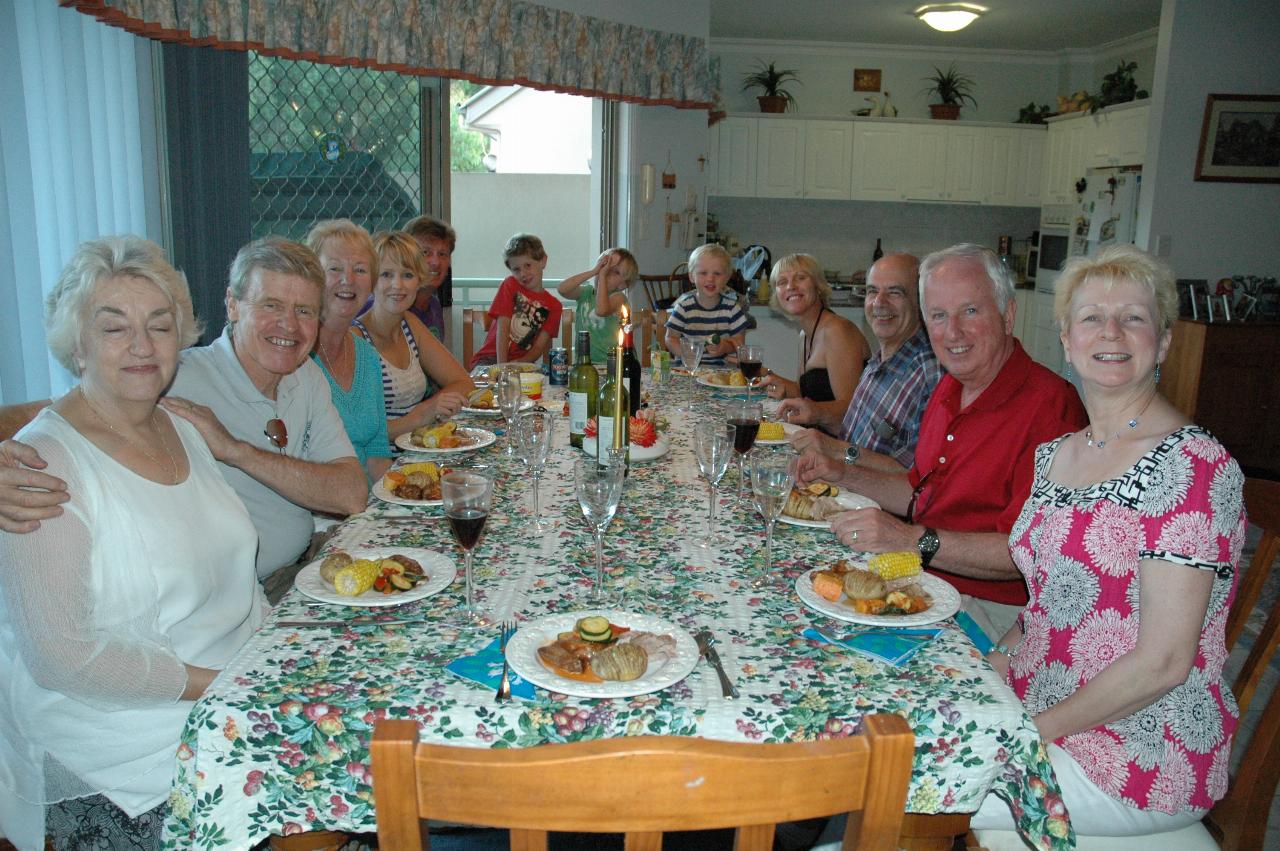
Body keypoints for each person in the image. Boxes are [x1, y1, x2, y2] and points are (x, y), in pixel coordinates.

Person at [0, 236, 268, 850]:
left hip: (225, 700)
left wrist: (273, 657)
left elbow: (237, 574)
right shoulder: (41, 467)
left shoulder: (181, 425)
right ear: (77, 343)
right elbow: (64, 659)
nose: (143, 346)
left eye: (159, 324)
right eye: (114, 327)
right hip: (119, 755)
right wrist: (237, 680)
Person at [971, 244, 1246, 837]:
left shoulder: (1193, 467)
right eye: (1092, 316)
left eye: (1134, 317)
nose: (1112, 331)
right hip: (1041, 705)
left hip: (1140, 754)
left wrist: (1031, 731)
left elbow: (1165, 663)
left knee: (903, 785)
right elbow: (1050, 603)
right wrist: (989, 666)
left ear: (1163, 342)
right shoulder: (1057, 457)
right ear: (1067, 339)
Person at [0, 237, 369, 589]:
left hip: (299, 573)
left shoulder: (304, 375)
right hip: (236, 598)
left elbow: (350, 493)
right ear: (232, 304)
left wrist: (236, 451)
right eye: (270, 305)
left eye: (303, 311)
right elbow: (71, 408)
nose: (288, 325)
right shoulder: (173, 376)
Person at [798, 244, 1086, 640]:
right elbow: (918, 491)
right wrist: (840, 472)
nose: (953, 332)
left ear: (1008, 315)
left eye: (970, 311)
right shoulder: (950, 386)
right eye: (938, 315)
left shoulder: (1051, 407)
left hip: (994, 610)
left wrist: (911, 539)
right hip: (925, 580)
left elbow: (1028, 552)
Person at [779, 253, 941, 471]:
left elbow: (917, 476)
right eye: (872, 291)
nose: (879, 302)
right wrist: (818, 414)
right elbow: (853, 435)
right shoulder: (879, 361)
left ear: (921, 302)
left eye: (895, 292)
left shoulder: (930, 373)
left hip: (869, 500)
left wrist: (835, 450)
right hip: (845, 484)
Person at [357, 231, 474, 442]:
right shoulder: (356, 338)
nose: (398, 285)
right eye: (386, 275)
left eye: (408, 275)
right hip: (383, 465)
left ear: (419, 280)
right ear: (371, 280)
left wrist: (429, 408)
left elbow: (463, 382)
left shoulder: (410, 324)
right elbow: (362, 434)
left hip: (418, 451)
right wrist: (422, 414)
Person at [306, 220, 393, 480]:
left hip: (365, 507)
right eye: (334, 268)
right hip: (319, 512)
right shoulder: (296, 357)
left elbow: (378, 452)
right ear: (312, 276)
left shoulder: (367, 355)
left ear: (371, 283)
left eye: (360, 269)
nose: (348, 280)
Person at [757, 253, 869, 416]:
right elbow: (808, 394)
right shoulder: (804, 334)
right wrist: (767, 374)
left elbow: (852, 412)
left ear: (818, 285)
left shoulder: (837, 331)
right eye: (782, 282)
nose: (790, 287)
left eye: (800, 278)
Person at [468, 233, 564, 369]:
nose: (523, 273)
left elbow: (537, 348)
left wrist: (519, 364)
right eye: (516, 269)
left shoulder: (554, 306)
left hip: (521, 363)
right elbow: (503, 329)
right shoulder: (510, 285)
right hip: (489, 360)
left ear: (543, 261)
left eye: (528, 265)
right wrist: (502, 368)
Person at [663, 243, 750, 366]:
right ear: (692, 277)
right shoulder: (683, 307)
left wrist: (724, 347)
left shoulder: (733, 309)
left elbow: (739, 342)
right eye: (703, 273)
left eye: (717, 274)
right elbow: (670, 338)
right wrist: (686, 353)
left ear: (727, 277)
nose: (710, 279)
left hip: (721, 371)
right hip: (688, 370)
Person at [556, 248, 639, 363]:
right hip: (584, 362)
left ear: (623, 284)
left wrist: (603, 276)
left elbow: (601, 310)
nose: (607, 271)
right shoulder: (585, 293)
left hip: (612, 363)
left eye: (615, 271)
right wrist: (593, 271)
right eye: (604, 265)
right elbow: (562, 289)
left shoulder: (619, 298)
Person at [401, 214, 454, 341]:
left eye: (442, 254)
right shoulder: (391, 306)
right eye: (425, 252)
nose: (435, 262)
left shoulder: (434, 306)